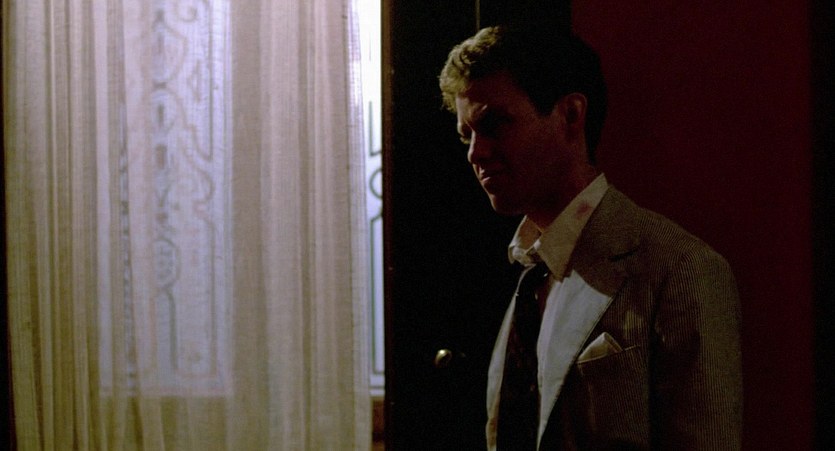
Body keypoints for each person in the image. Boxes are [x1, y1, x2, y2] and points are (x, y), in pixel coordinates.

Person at [438, 25, 742, 450]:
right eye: (467, 135)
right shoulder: (528, 271)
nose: (476, 153)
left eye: (496, 124)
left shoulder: (677, 268)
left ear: (570, 115)